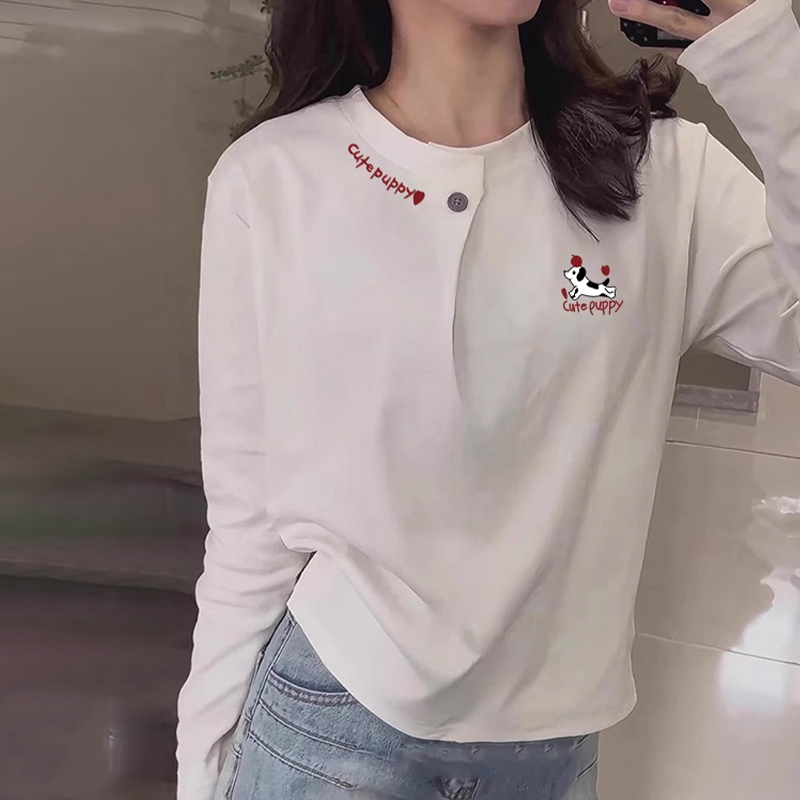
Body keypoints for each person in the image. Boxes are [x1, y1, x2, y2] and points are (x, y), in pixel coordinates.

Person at [176, 0, 800, 797]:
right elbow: (247, 518)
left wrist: (767, 55)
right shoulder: (273, 177)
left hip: (551, 751)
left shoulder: (662, 170)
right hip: (329, 722)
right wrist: (203, 765)